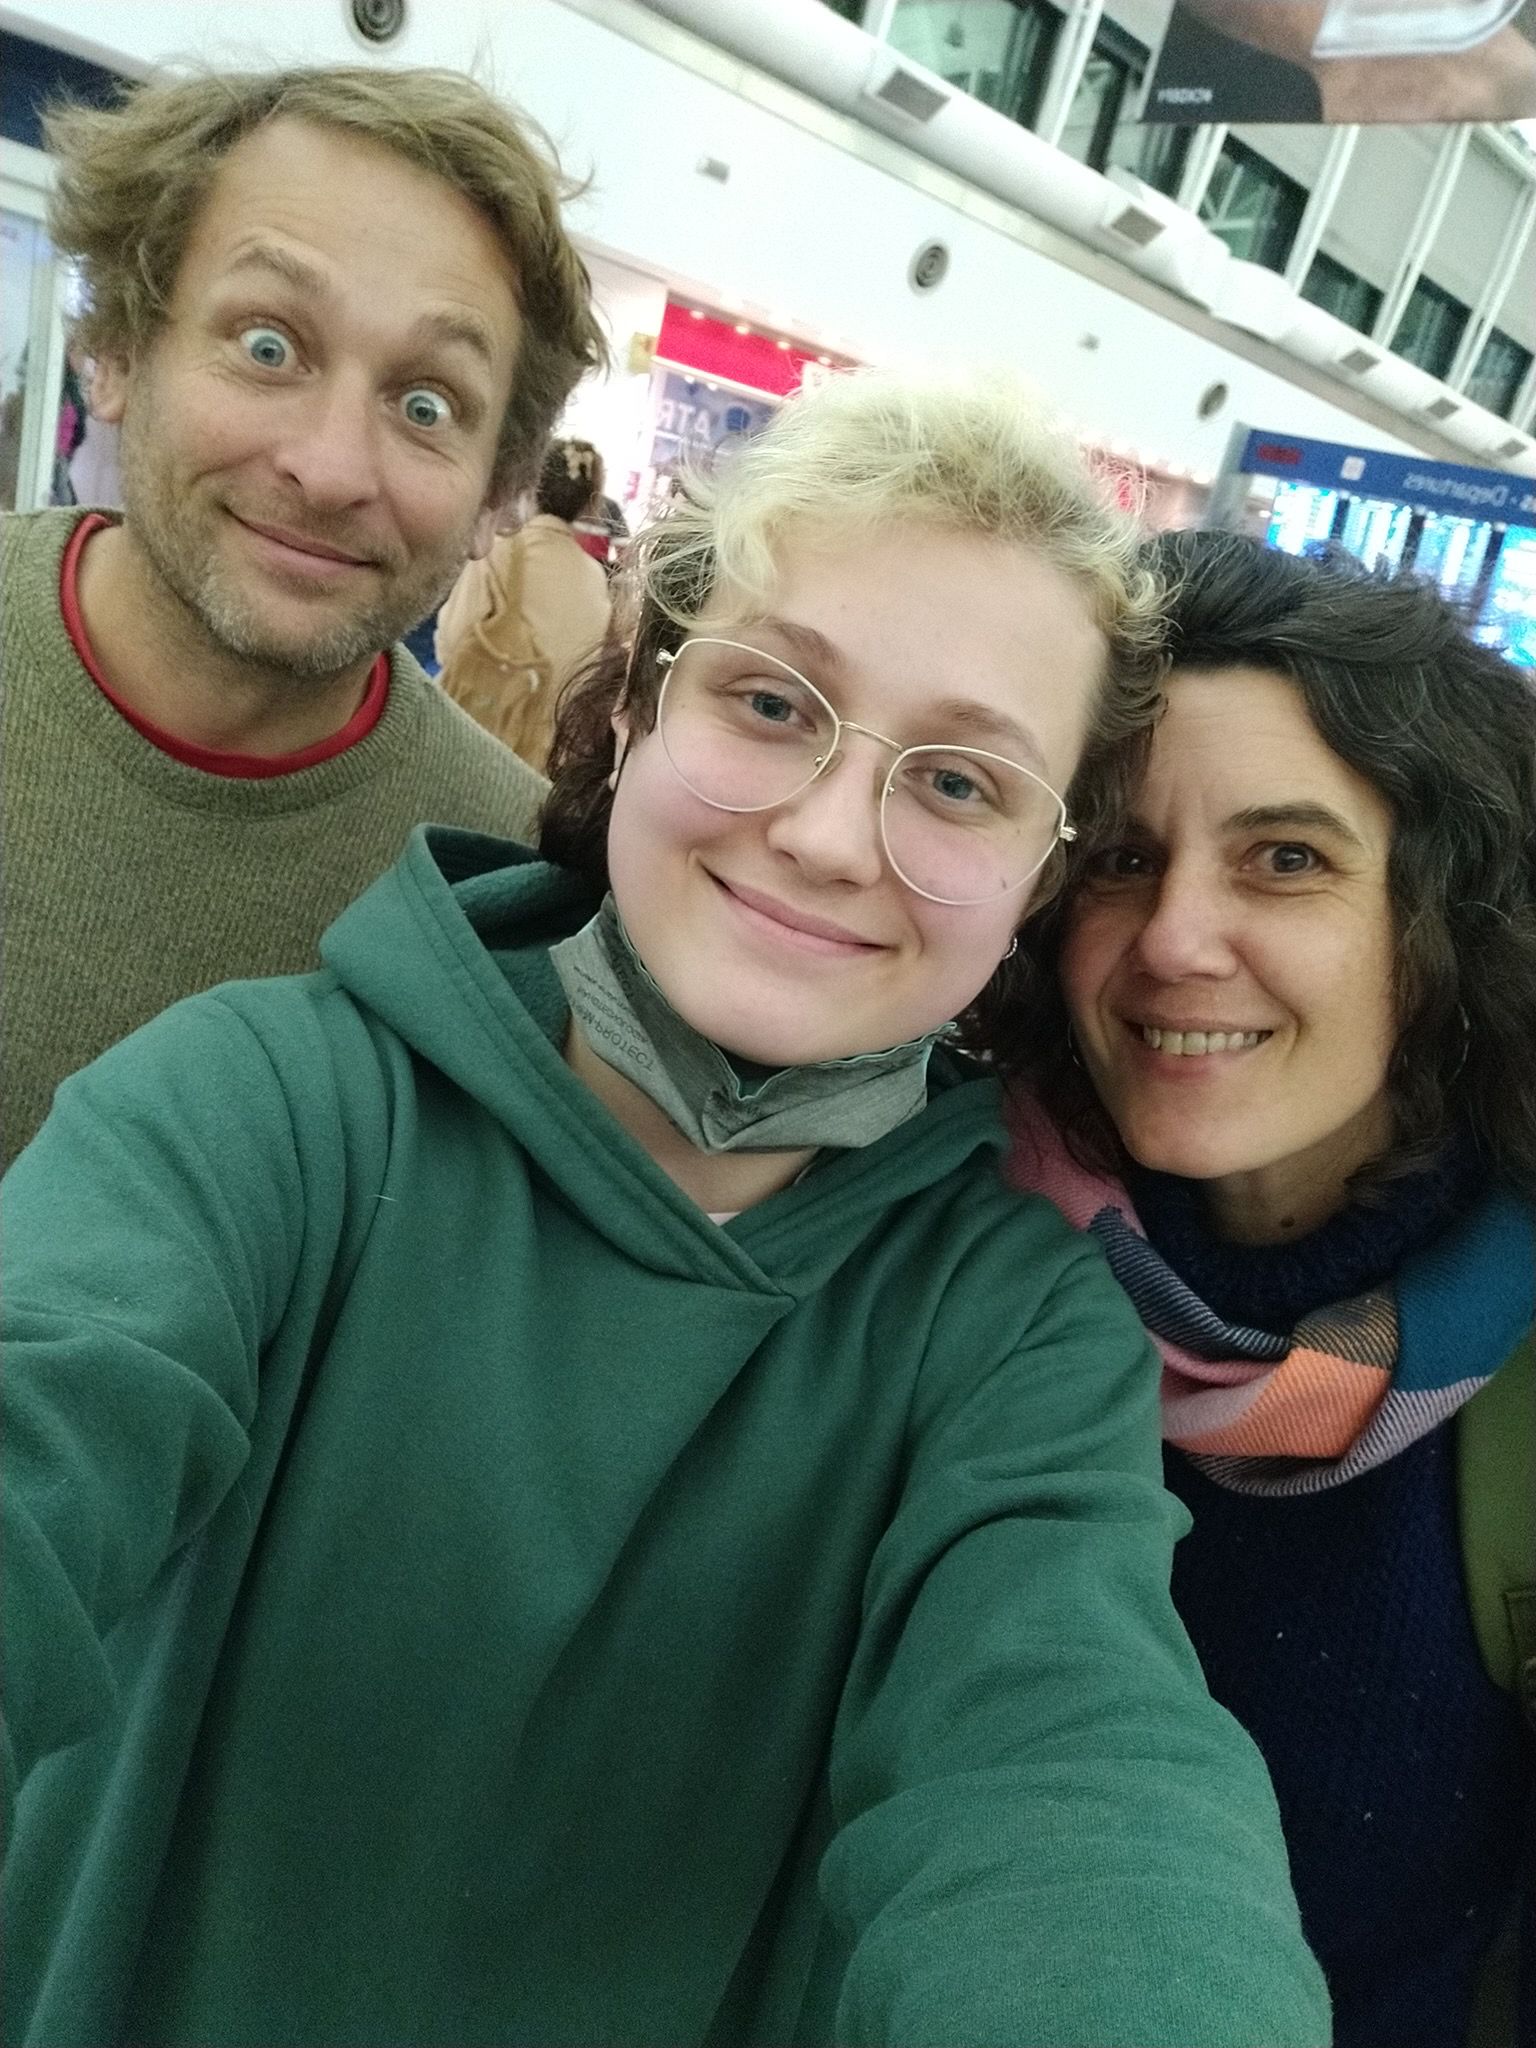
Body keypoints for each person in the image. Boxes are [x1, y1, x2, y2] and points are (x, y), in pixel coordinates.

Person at [1, 373, 1331, 2048]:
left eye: (960, 784)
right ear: (636, 702)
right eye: (772, 704)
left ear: (1043, 881)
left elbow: (1078, 1763)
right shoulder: (263, 1110)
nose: (833, 835)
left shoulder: (1007, 1332)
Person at [1004, 528, 1536, 2048]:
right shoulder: (955, 1259)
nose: (1175, 940)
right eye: (1120, 857)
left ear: (1436, 935)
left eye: (1286, 859)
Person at [0, 64, 606, 1166]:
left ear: (497, 489)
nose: (330, 470)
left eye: (426, 405)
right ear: (122, 350)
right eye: (268, 345)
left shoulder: (514, 893)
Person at [436, 436, 613, 770]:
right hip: (542, 754)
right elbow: (584, 677)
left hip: (476, 734)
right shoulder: (593, 576)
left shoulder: (498, 552)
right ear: (589, 503)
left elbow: (452, 640)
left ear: (530, 488)